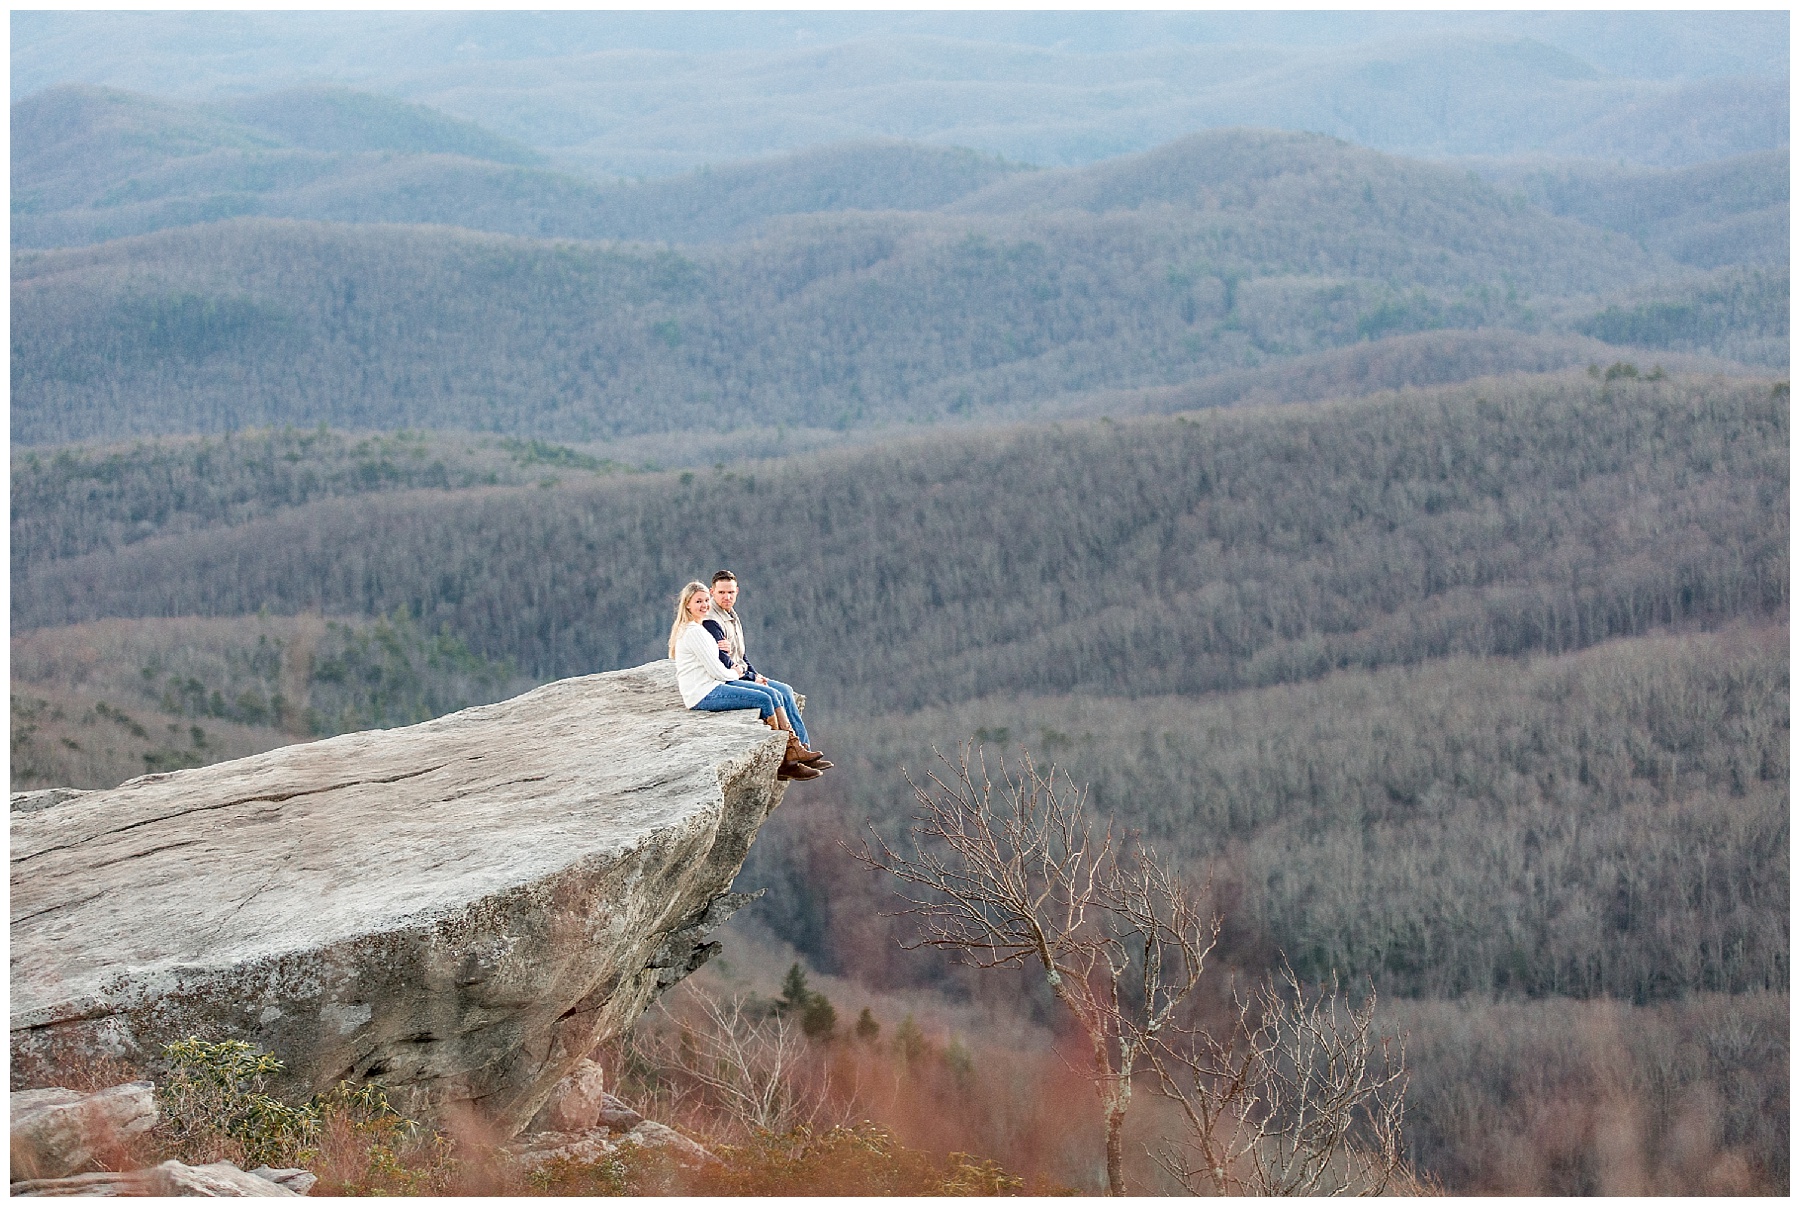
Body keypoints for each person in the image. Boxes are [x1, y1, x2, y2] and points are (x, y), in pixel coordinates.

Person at [668, 581, 822, 781]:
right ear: (687, 604)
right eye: (699, 601)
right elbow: (718, 670)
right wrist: (738, 671)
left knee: (773, 693)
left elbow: (719, 663)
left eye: (706, 600)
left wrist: (733, 665)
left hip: (712, 685)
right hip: (703, 693)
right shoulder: (694, 632)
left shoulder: (698, 629)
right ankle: (784, 760)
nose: (705, 605)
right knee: (765, 699)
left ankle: (794, 750)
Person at [703, 570, 831, 768]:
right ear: (712, 592)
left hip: (742, 672)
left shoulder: (732, 616)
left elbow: (741, 655)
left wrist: (756, 674)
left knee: (786, 690)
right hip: (728, 677)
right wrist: (751, 677)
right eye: (721, 593)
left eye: (730, 592)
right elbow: (724, 660)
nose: (726, 597)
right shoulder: (712, 620)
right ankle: (789, 753)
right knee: (772, 695)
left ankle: (803, 748)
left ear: (737, 591)